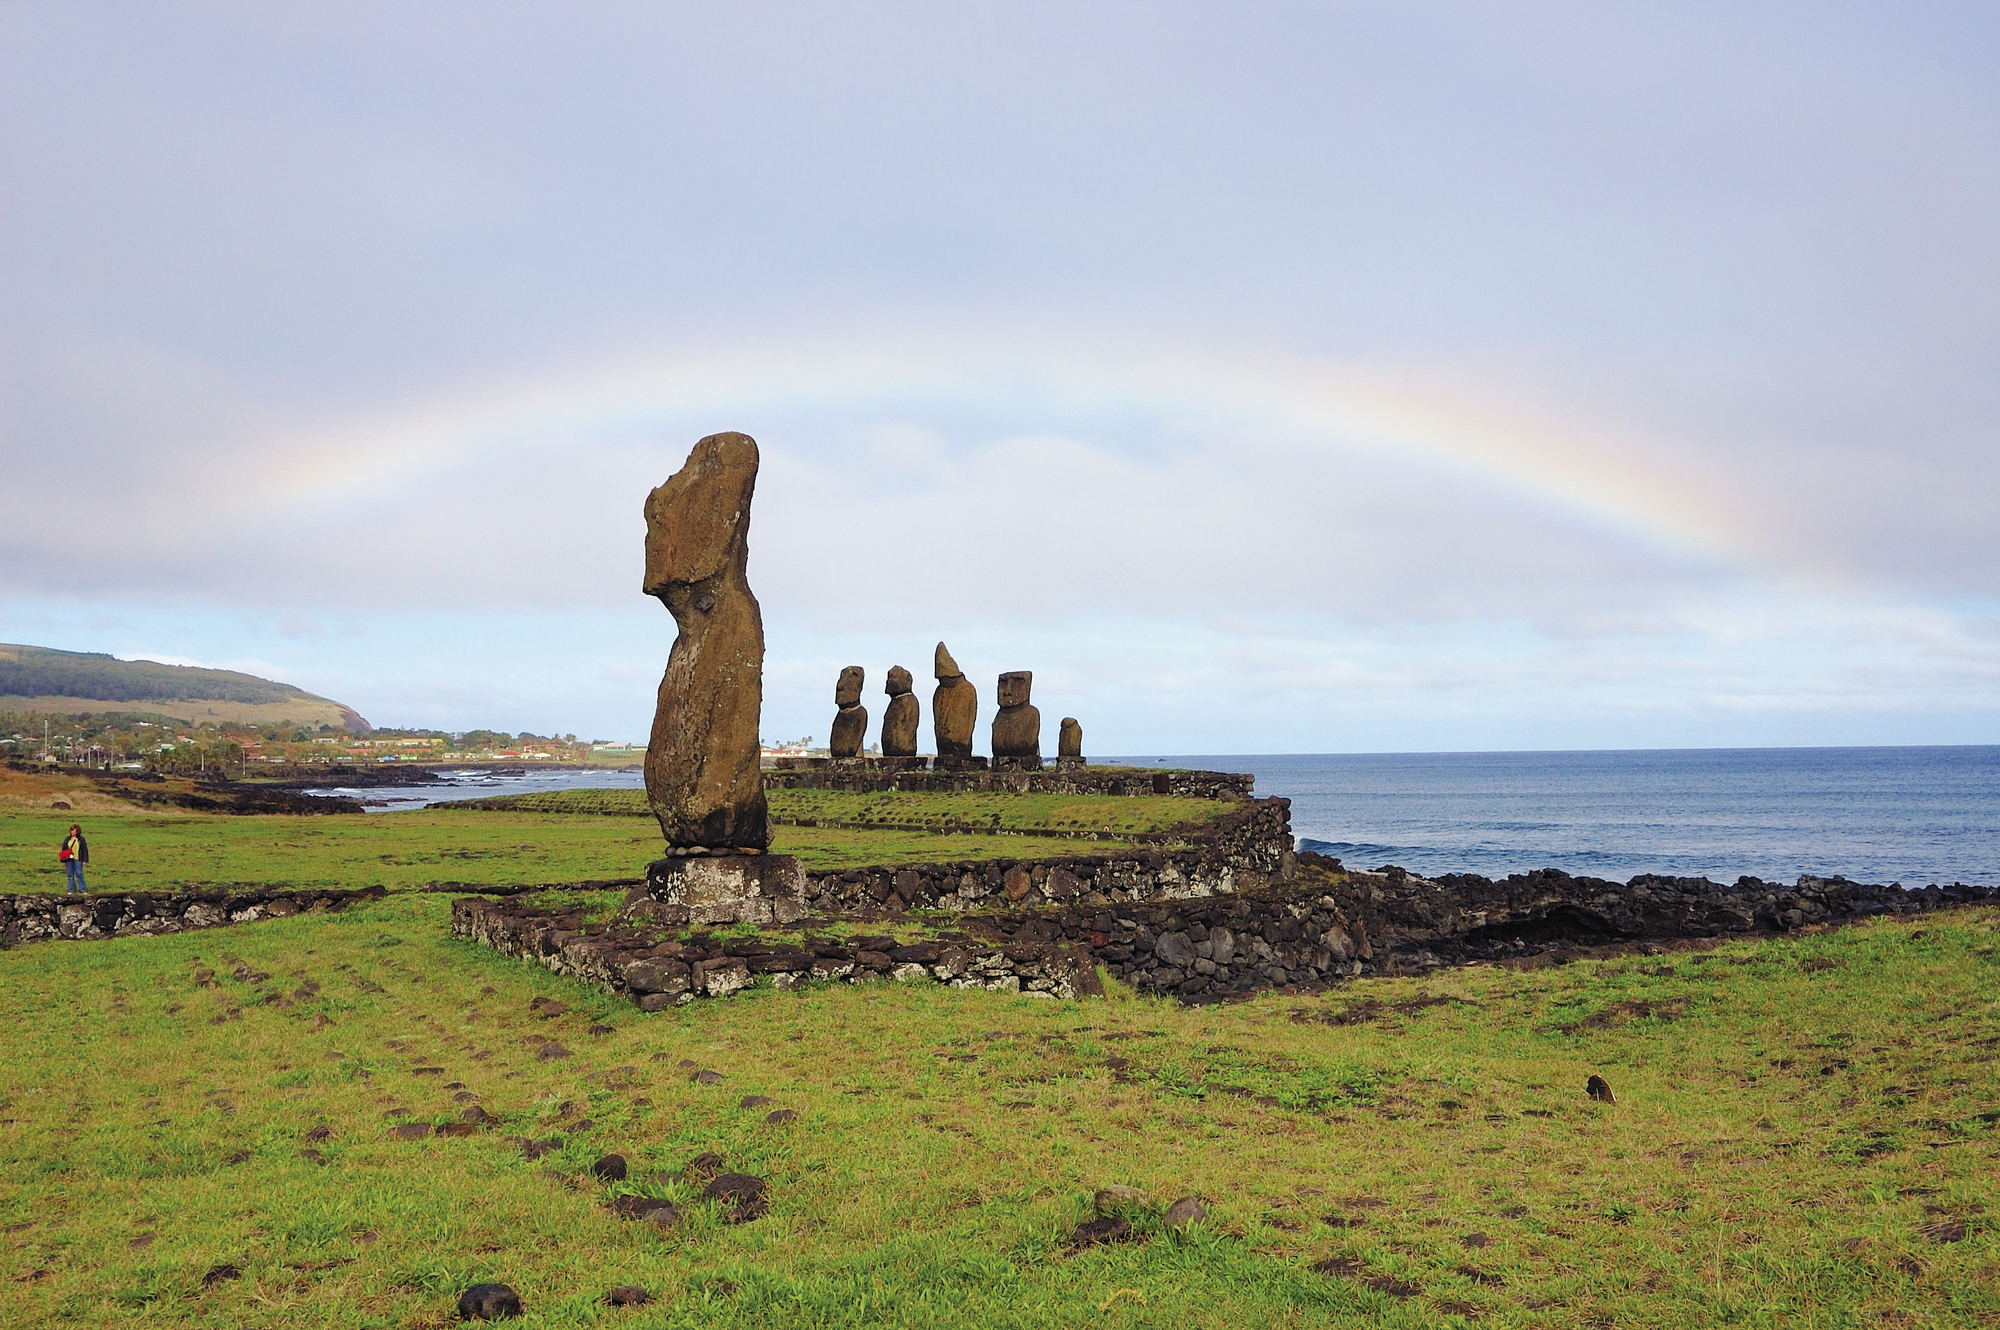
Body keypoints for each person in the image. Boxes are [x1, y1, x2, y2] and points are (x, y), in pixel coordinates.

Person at [58, 823, 89, 895]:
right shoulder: (67, 839)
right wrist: (62, 860)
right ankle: (71, 890)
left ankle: (83, 889)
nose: (72, 832)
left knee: (79, 874)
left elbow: (84, 850)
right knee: (70, 874)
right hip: (69, 859)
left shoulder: (81, 839)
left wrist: (85, 860)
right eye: (72, 831)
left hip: (78, 858)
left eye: (74, 831)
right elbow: (64, 850)